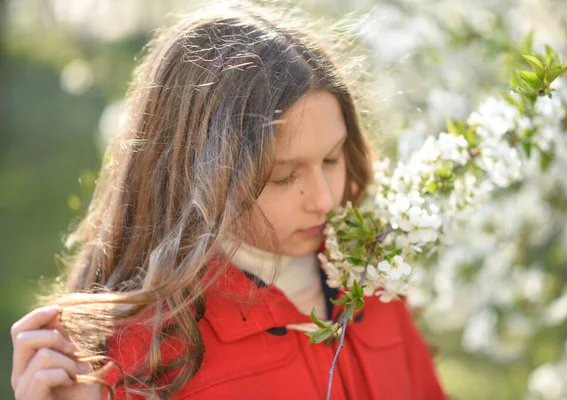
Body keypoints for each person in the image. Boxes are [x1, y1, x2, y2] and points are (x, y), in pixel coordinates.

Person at [10, 2, 447, 399]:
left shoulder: (371, 282)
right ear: (197, 175)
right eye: (282, 176)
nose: (323, 199)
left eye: (332, 158)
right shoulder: (141, 358)